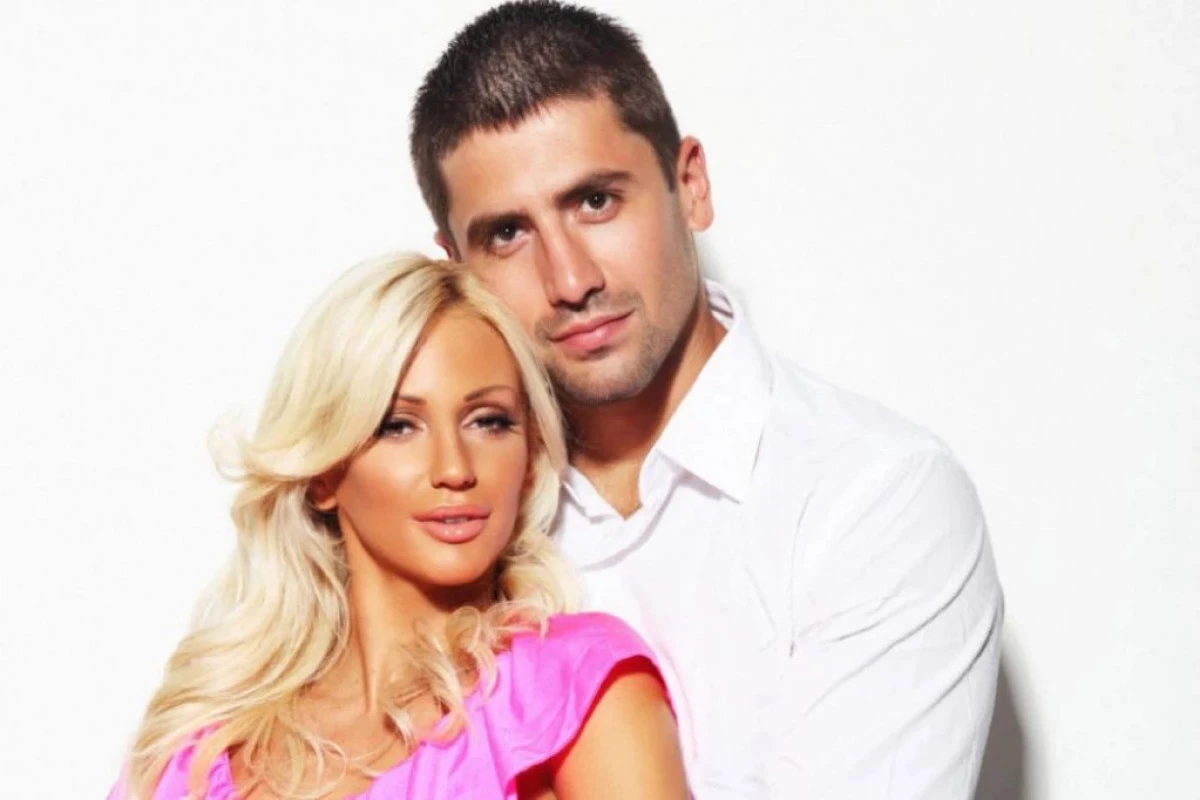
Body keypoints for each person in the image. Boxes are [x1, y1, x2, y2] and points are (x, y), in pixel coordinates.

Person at [409, 2, 1005, 796]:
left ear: (689, 185)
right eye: (508, 235)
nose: (571, 280)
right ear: (456, 268)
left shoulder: (876, 497)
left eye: (595, 201)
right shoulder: (444, 515)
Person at [107, 254, 689, 800]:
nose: (455, 469)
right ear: (323, 473)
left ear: (531, 456)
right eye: (398, 426)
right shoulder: (196, 751)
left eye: (488, 422)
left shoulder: (572, 689)